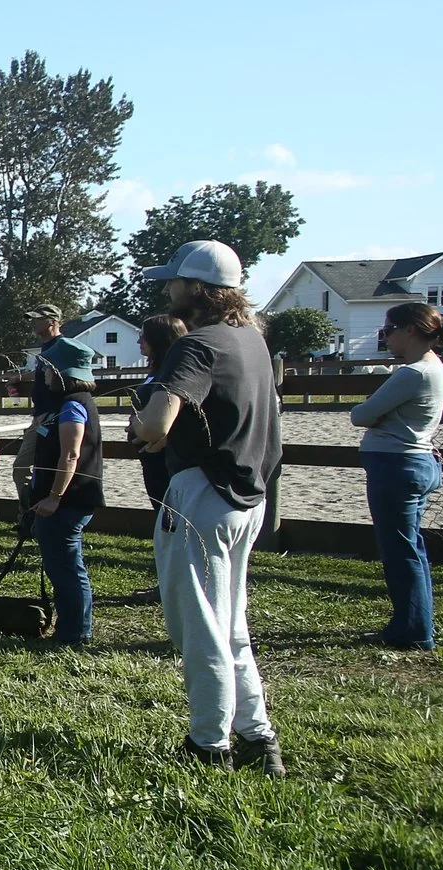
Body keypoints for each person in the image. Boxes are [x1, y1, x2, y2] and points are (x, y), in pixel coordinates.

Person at [131, 240, 284, 773]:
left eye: (174, 281)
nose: (167, 290)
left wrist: (141, 423)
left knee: (198, 624)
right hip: (248, 497)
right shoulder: (252, 341)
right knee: (231, 622)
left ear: (197, 288)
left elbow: (154, 426)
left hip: (202, 494)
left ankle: (208, 742)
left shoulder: (196, 346)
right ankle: (256, 736)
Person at [352, 301, 443, 649]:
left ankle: (411, 631)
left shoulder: (411, 373)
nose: (387, 338)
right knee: (411, 547)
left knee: (400, 552)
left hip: (397, 466)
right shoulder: (432, 368)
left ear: (410, 330)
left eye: (389, 330)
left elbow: (361, 415)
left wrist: (374, 416)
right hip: (415, 463)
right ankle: (414, 624)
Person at [24, 335, 104, 647]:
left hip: (67, 501)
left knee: (67, 566)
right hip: (60, 500)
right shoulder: (70, 404)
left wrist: (54, 497)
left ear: (62, 374)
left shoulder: (73, 406)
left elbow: (70, 454)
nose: (43, 376)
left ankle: (74, 631)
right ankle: (73, 626)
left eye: (47, 370)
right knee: (63, 564)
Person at [134, 315, 189, 507]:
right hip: (150, 460)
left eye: (143, 336)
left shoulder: (174, 374)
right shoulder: (156, 371)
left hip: (166, 460)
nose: (139, 341)